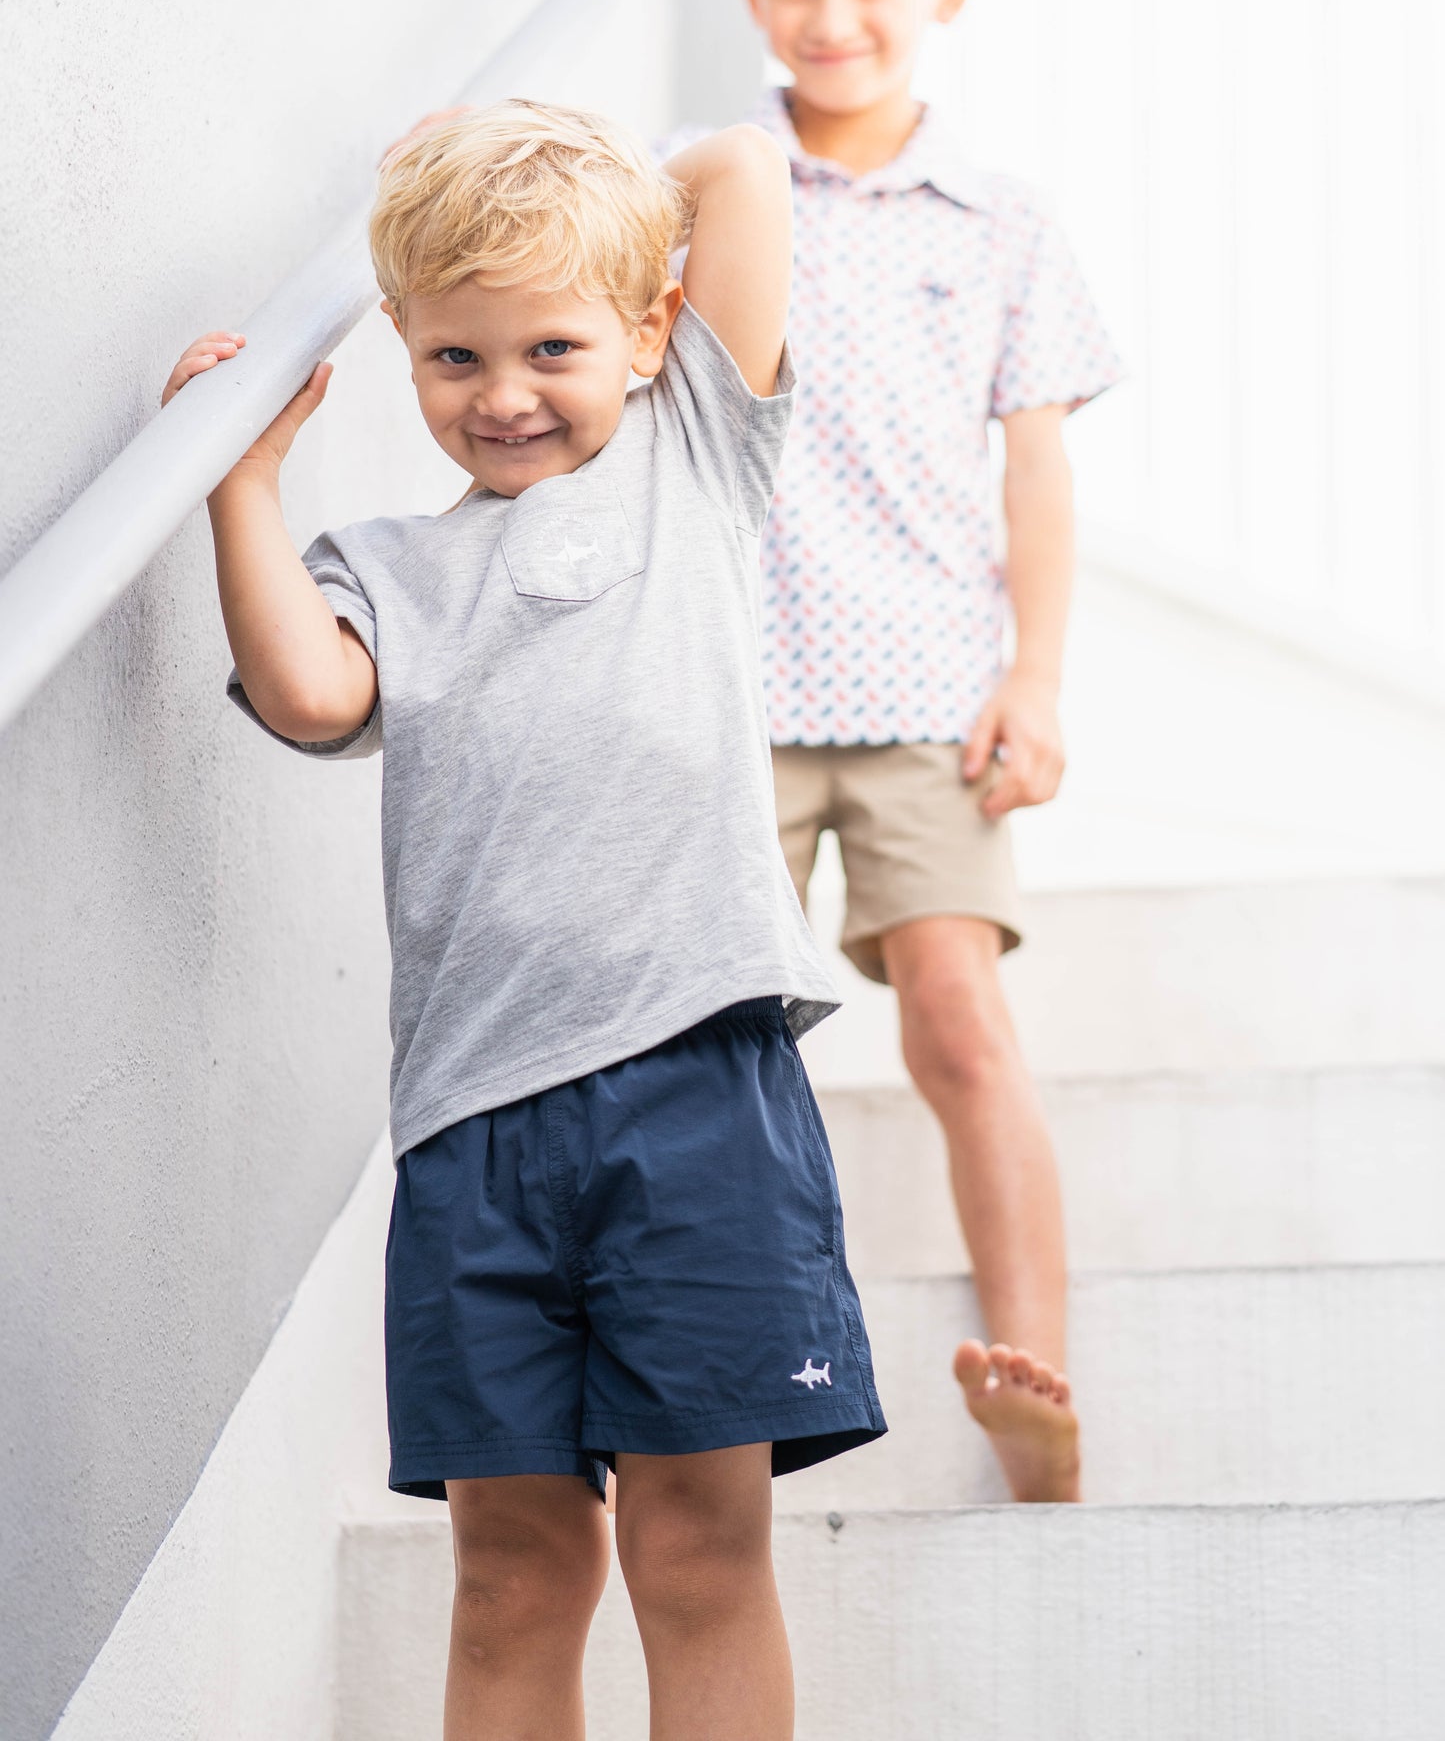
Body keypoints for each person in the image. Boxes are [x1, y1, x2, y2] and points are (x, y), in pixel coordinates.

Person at [163, 101, 883, 1741]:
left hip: (693, 1093)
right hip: (473, 1132)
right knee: (508, 1570)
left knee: (698, 1551)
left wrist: (531, 155)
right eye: (452, 360)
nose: (500, 397)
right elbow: (307, 691)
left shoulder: (697, 456)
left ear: (647, 332)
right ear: (407, 356)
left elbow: (739, 171)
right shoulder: (388, 567)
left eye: (550, 344)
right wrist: (241, 482)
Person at [735, 0, 1124, 1504]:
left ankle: (1031, 1372)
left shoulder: (997, 218)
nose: (833, 17)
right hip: (727, 702)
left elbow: (1035, 469)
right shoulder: (713, 186)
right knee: (710, 1044)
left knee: (959, 1024)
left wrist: (1031, 682)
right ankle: (721, 1359)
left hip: (920, 701)